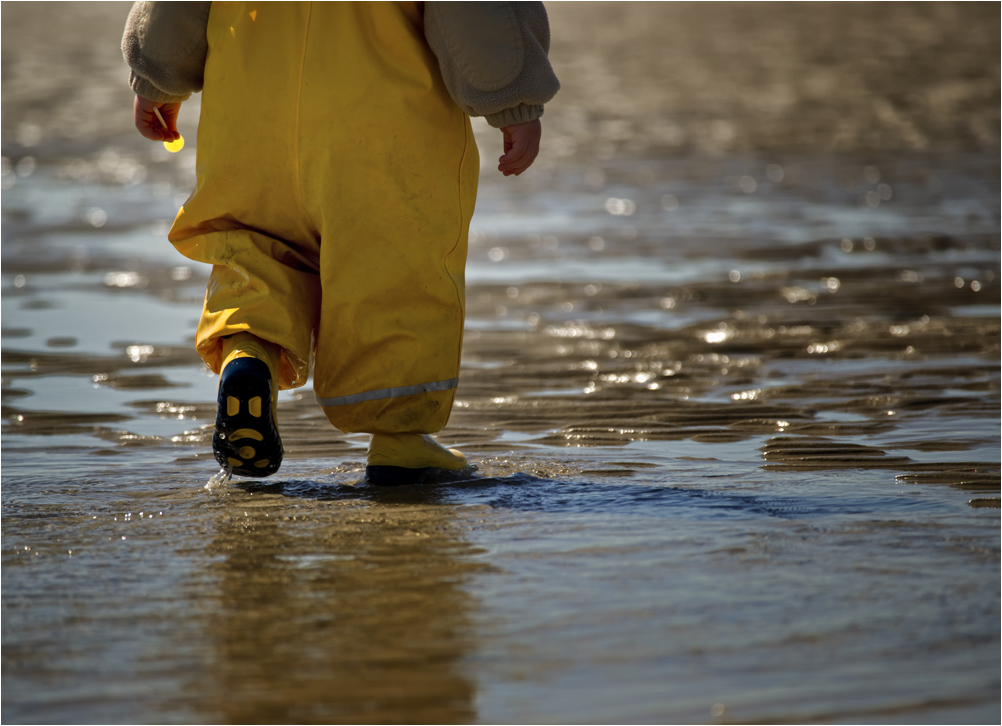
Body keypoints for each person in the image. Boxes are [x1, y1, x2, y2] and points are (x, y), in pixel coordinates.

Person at [122, 2, 559, 484]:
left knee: (253, 246)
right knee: (391, 264)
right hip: (381, 122)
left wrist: (157, 77)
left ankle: (249, 353)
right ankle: (399, 440)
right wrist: (512, 98)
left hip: (252, 116)